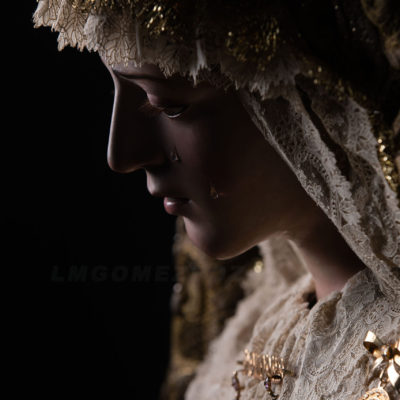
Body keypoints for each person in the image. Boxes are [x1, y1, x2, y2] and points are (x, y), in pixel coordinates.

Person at [33, 1, 400, 399]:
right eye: (115, 88)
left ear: (318, 96)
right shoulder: (254, 317)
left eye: (167, 105)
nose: (121, 155)